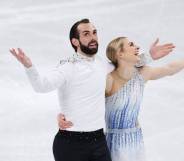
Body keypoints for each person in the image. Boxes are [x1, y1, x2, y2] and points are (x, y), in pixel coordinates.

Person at [10, 19, 174, 161]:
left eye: (94, 32)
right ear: (75, 41)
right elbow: (41, 86)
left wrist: (149, 56)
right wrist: (29, 66)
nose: (93, 37)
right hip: (70, 144)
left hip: (98, 141)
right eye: (86, 34)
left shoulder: (102, 65)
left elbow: (123, 65)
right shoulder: (67, 67)